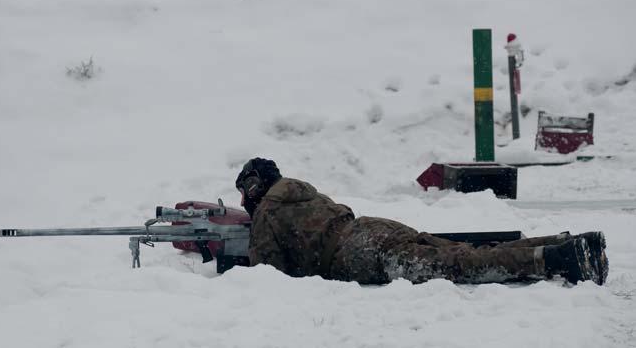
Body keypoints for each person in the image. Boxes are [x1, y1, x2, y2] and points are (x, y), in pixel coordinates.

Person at [235, 157, 609, 285]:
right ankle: (565, 242)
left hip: (364, 254)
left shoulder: (268, 210)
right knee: (466, 252)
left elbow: (269, 275)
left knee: (463, 265)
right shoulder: (300, 190)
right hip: (374, 228)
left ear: (254, 188)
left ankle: (559, 260)